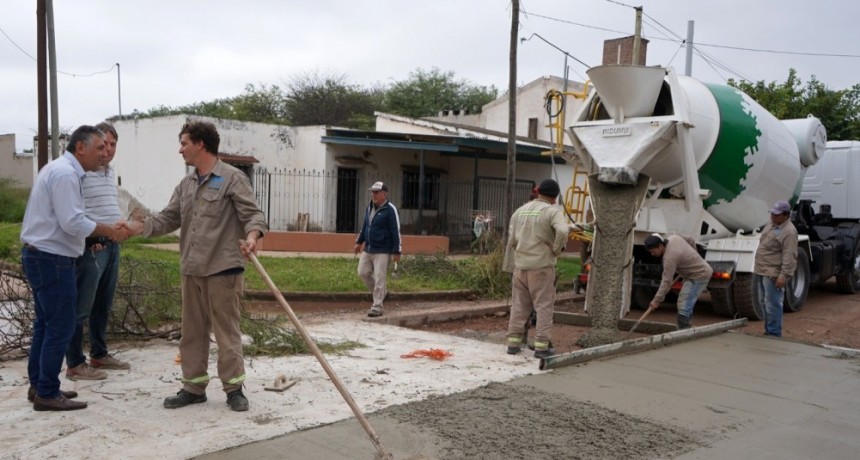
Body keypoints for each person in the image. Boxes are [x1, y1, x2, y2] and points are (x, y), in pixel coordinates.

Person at [124, 121, 268, 412]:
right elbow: (168, 218)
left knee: (227, 333)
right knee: (192, 333)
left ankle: (234, 388)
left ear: (200, 144)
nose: (180, 150)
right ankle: (193, 387)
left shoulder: (232, 178)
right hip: (191, 270)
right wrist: (135, 228)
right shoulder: (186, 184)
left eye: (184, 143)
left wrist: (252, 238)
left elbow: (253, 216)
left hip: (223, 270)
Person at [20, 125, 129, 411]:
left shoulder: (61, 170)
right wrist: (108, 231)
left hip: (45, 256)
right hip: (51, 260)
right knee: (61, 325)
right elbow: (72, 223)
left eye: (107, 148)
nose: (104, 154)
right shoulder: (67, 174)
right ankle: (47, 392)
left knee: (46, 324)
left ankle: (40, 385)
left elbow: (68, 221)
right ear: (80, 148)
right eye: (99, 148)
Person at [64, 122, 129, 382]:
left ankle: (99, 354)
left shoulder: (109, 172)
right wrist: (91, 239)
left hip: (112, 245)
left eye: (113, 145)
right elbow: (75, 213)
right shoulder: (81, 172)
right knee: (82, 306)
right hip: (93, 246)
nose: (108, 150)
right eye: (104, 145)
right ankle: (75, 363)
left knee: (103, 303)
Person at [503, 179, 569, 359]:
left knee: (519, 306)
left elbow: (512, 240)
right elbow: (563, 231)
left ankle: (513, 343)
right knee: (544, 306)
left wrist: (521, 250)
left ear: (537, 192)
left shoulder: (520, 211)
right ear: (555, 198)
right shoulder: (551, 212)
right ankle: (541, 346)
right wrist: (556, 250)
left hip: (520, 267)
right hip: (541, 267)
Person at [644, 233, 714, 329]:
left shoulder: (669, 258)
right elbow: (690, 239)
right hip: (696, 273)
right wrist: (692, 256)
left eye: (653, 251)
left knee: (684, 304)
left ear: (660, 246)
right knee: (686, 304)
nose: (652, 254)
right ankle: (686, 330)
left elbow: (666, 282)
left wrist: (656, 300)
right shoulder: (673, 237)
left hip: (699, 275)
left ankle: (682, 332)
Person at [354, 181, 401, 318]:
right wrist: (359, 242)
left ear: (384, 194)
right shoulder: (369, 208)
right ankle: (381, 294)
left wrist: (397, 250)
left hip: (383, 249)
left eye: (376, 192)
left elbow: (395, 231)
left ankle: (377, 306)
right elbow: (365, 227)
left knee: (380, 277)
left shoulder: (390, 209)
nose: (373, 194)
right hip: (369, 248)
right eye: (372, 192)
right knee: (362, 272)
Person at [754, 200, 798, 337]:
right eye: (772, 213)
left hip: (772, 273)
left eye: (776, 214)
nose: (773, 216)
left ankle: (773, 333)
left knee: (773, 303)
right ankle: (768, 330)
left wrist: (783, 276)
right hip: (761, 270)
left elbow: (789, 256)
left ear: (785, 215)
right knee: (763, 302)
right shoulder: (771, 225)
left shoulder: (789, 232)